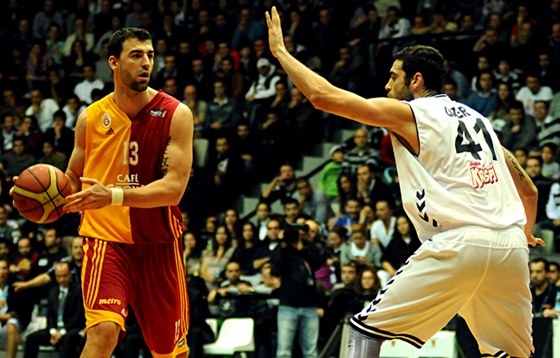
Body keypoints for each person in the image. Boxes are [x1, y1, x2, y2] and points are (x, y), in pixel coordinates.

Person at [266, 8, 541, 357]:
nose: (386, 85)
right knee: (510, 354)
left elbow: (324, 98)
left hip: (458, 242)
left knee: (363, 331)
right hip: (512, 247)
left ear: (416, 81)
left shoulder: (414, 113)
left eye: (393, 77)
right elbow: (528, 189)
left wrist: (282, 53)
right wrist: (526, 234)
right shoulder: (480, 120)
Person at [26, 28, 194, 358]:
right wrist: (35, 193)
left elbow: (173, 190)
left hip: (158, 245)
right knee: (103, 333)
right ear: (113, 62)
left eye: (150, 55)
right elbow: (73, 180)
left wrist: (114, 195)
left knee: (169, 352)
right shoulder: (90, 117)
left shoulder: (176, 114)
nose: (146, 62)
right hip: (105, 242)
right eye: (136, 55)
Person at [23, 261, 85, 358]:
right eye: (58, 276)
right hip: (54, 329)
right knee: (31, 338)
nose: (62, 279)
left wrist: (62, 332)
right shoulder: (53, 292)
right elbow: (50, 316)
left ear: (70, 274)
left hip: (71, 329)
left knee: (68, 339)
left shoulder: (78, 291)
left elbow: (78, 317)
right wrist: (53, 331)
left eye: (64, 276)